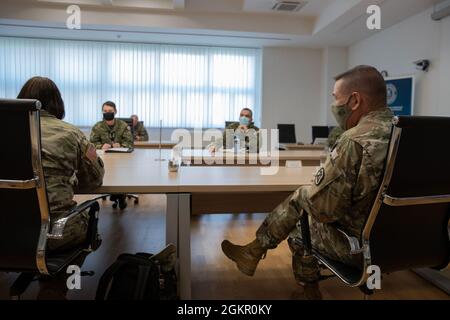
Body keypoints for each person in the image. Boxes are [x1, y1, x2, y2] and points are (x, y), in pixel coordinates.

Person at [221, 65, 394, 299]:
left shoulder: (355, 140)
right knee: (304, 199)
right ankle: (253, 251)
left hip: (359, 247)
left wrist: (307, 192)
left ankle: (307, 290)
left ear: (354, 101)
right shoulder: (413, 133)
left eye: (336, 99)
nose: (334, 106)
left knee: (298, 220)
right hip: (409, 243)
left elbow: (325, 212)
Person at [17, 76, 105, 298]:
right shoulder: (71, 133)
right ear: (57, 102)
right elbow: (93, 180)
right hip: (54, 233)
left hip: (7, 229)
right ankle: (53, 288)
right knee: (85, 223)